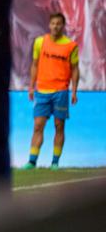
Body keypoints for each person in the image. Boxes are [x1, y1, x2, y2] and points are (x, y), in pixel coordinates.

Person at [23, 13, 79, 170]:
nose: (56, 26)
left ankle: (55, 162)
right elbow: (34, 64)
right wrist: (31, 86)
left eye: (59, 24)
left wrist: (74, 91)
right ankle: (32, 161)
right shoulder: (40, 42)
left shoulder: (71, 46)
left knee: (59, 126)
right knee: (38, 126)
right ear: (49, 25)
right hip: (42, 91)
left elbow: (75, 69)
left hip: (60, 91)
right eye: (53, 23)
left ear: (63, 26)